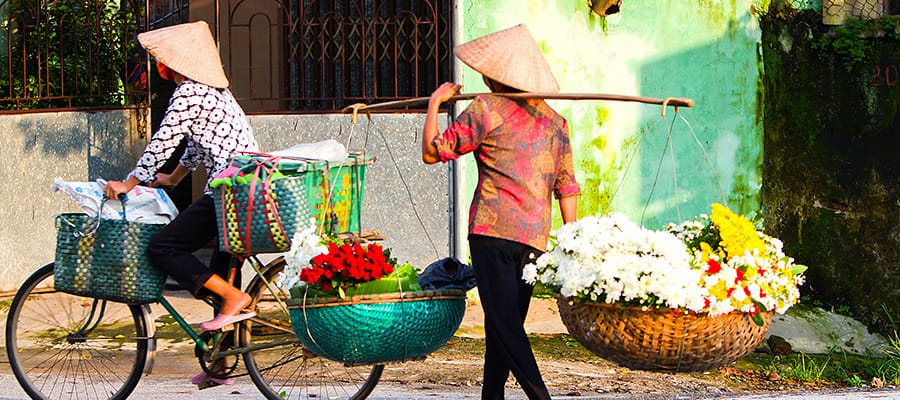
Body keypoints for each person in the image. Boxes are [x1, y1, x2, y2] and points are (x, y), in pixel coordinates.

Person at [421, 24, 580, 400]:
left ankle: (540, 396)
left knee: (505, 326)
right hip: (534, 239)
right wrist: (572, 238)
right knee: (502, 328)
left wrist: (434, 104)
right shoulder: (556, 122)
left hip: (492, 235)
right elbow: (567, 186)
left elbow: (432, 152)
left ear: (494, 75)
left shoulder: (487, 109)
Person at [104, 21, 258, 335]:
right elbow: (198, 145)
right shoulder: (214, 91)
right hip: (245, 189)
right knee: (220, 273)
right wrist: (173, 178)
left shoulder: (189, 91)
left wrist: (130, 183)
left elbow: (164, 141)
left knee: (163, 248)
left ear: (172, 62)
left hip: (229, 192)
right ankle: (221, 365)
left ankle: (233, 297)